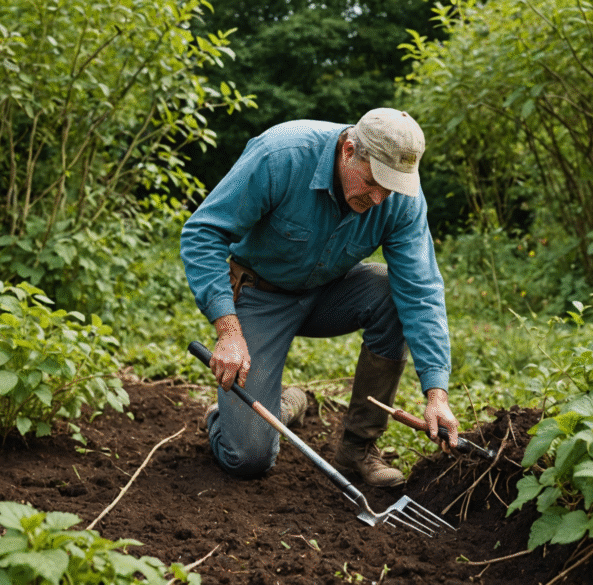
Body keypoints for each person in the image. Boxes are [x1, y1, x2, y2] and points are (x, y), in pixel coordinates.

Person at [180, 107, 459, 487]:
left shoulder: (400, 199)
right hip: (262, 296)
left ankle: (358, 450)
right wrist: (228, 330)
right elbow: (202, 233)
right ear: (348, 150)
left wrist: (436, 393)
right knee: (247, 458)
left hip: (330, 293)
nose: (379, 199)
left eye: (390, 188)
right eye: (372, 182)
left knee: (392, 293)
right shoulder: (282, 155)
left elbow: (421, 290)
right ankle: (231, 416)